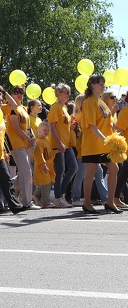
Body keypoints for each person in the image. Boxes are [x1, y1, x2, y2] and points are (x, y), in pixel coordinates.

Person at [80, 75, 121, 214]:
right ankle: (86, 203)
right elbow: (92, 126)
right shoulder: (89, 102)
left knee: (114, 169)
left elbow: (106, 122)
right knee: (90, 172)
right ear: (92, 85)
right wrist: (105, 140)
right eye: (100, 84)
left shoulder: (101, 102)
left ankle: (110, 202)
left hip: (104, 144)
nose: (103, 86)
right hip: (93, 144)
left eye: (104, 84)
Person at [3, 85, 37, 209]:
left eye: (21, 92)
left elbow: (27, 127)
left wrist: (31, 136)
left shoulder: (23, 108)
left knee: (23, 174)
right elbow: (16, 129)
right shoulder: (12, 109)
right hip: (17, 144)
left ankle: (1, 192)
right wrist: (29, 138)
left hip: (25, 144)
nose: (19, 94)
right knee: (26, 173)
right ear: (11, 94)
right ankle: (27, 202)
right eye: (16, 92)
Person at [48, 83, 77, 208]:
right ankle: (58, 198)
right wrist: (59, 142)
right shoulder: (56, 107)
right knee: (60, 171)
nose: (67, 94)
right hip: (58, 144)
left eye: (68, 92)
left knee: (73, 167)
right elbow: (52, 126)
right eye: (64, 92)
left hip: (67, 144)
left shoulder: (64, 107)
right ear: (58, 93)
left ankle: (59, 194)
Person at [33, 122, 55, 208]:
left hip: (49, 165)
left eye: (48, 130)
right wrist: (43, 165)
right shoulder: (38, 142)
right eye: (44, 130)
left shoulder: (46, 141)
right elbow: (39, 155)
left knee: (49, 181)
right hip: (42, 166)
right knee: (46, 182)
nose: (46, 132)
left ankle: (36, 196)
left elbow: (49, 152)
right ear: (39, 130)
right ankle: (45, 202)